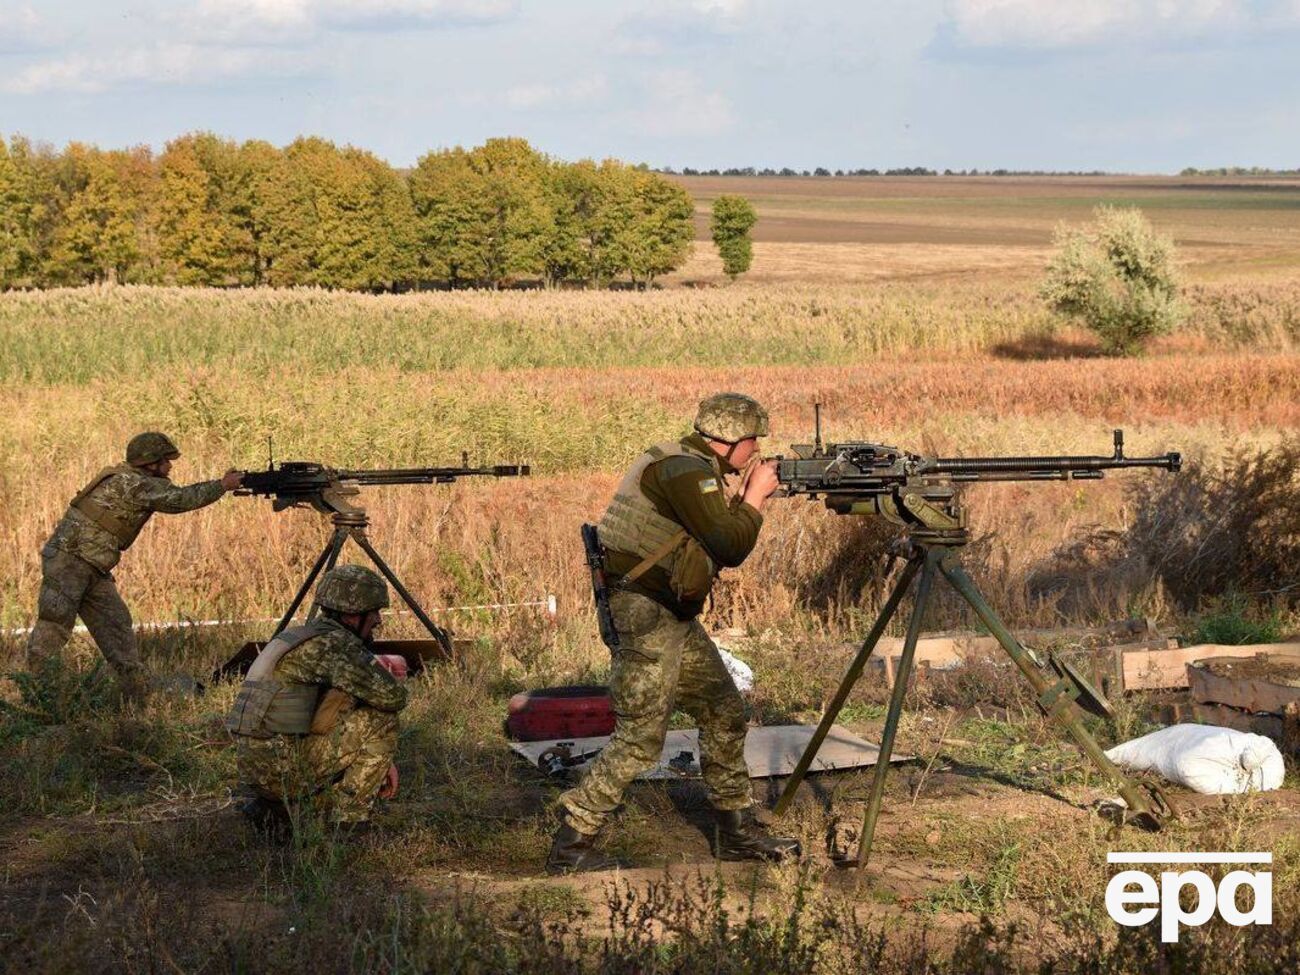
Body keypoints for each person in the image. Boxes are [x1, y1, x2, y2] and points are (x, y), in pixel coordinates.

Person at [550, 393, 801, 872]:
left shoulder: (688, 465)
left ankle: (735, 832)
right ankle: (571, 843)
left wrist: (744, 497)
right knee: (641, 738)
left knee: (724, 709)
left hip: (668, 615)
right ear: (731, 440)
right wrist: (754, 498)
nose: (756, 452)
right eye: (753, 442)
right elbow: (729, 545)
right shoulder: (686, 471)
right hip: (646, 617)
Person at [26, 432, 243, 701]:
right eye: (166, 460)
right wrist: (223, 485)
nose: (170, 466)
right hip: (70, 561)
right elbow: (180, 499)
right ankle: (34, 691)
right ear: (151, 463)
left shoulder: (132, 479)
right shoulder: (134, 484)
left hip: (91, 565)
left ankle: (136, 690)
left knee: (116, 623)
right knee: (55, 624)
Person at [228, 564, 407, 832]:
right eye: (375, 612)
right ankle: (348, 822)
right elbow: (393, 697)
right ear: (352, 615)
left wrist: (382, 761)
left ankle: (276, 812)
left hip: (255, 770)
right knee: (381, 718)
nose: (379, 621)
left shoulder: (297, 636)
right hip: (282, 771)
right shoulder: (332, 646)